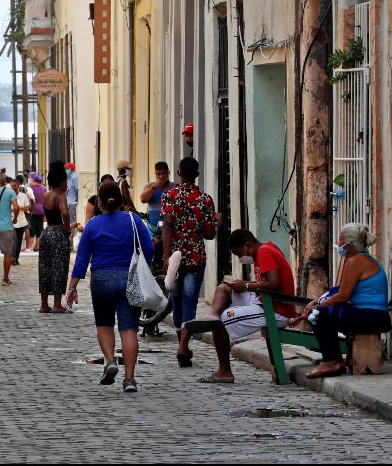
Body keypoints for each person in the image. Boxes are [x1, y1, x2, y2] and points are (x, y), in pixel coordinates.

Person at [67, 182, 154, 392]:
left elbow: (82, 258)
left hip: (102, 278)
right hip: (128, 277)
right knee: (129, 329)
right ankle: (130, 379)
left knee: (104, 324)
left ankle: (109, 360)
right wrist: (142, 267)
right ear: (121, 201)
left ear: (99, 202)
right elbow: (149, 247)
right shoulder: (134, 220)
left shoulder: (93, 225)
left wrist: (72, 286)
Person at [183, 230, 296, 383]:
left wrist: (247, 285)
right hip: (266, 301)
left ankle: (224, 372)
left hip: (277, 309)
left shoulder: (264, 252)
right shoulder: (265, 249)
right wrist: (241, 285)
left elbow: (274, 284)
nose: (240, 258)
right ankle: (213, 315)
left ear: (248, 245)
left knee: (222, 321)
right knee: (224, 288)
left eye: (239, 254)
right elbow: (266, 282)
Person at [301, 224, 391, 379]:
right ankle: (334, 359)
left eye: (340, 239)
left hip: (372, 316)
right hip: (374, 315)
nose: (338, 243)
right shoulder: (364, 259)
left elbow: (343, 296)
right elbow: (338, 290)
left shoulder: (355, 261)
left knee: (318, 315)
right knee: (320, 311)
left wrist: (317, 306)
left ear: (348, 245)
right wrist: (316, 301)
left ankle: (332, 362)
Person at [161, 157, 220, 367]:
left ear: (178, 173)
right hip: (195, 256)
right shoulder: (205, 199)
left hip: (175, 257)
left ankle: (181, 343)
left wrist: (166, 255)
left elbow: (167, 224)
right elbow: (210, 234)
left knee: (176, 300)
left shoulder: (170, 196)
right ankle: (183, 345)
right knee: (189, 301)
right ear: (196, 175)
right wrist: (214, 222)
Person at [38, 161, 76, 313]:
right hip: (58, 234)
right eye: (66, 181)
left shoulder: (47, 194)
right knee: (59, 267)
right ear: (61, 182)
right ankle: (57, 305)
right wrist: (68, 228)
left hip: (46, 233)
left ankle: (44, 304)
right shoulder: (60, 196)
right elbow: (65, 213)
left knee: (45, 267)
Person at [140, 162, 176, 228]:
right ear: (155, 174)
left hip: (171, 228)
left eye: (164, 173)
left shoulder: (175, 187)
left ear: (169, 173)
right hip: (152, 228)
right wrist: (154, 187)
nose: (161, 176)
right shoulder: (149, 186)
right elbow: (143, 200)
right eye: (158, 174)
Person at [10, 179, 30, 266]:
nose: (13, 187)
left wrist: (18, 208)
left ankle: (16, 258)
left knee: (18, 241)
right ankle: (11, 257)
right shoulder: (8, 196)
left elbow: (27, 208)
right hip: (11, 221)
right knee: (12, 240)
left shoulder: (23, 196)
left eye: (15, 185)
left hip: (21, 221)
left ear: (18, 186)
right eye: (12, 186)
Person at [28, 173, 47, 251]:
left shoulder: (29, 188)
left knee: (31, 227)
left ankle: (29, 246)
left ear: (33, 179)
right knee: (39, 227)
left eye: (30, 178)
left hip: (32, 209)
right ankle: (38, 246)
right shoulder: (44, 188)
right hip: (42, 209)